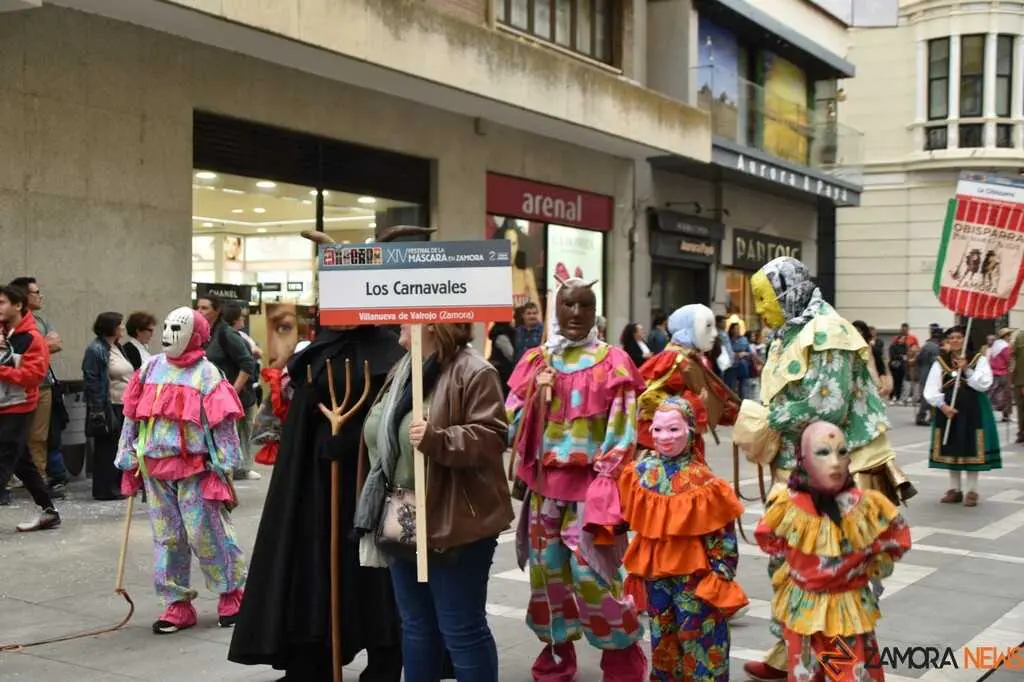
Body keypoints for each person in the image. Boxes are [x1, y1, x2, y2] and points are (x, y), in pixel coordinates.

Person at [229, 226, 433, 682]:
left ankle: (385, 662)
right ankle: (316, 658)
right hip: (320, 495)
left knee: (385, 575)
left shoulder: (401, 352)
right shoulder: (317, 354)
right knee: (317, 567)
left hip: (386, 490)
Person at [734, 257, 915, 682]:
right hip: (796, 472)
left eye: (763, 297)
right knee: (790, 566)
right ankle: (789, 652)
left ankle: (835, 664)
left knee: (832, 574)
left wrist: (767, 418)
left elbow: (827, 406)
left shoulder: (828, 333)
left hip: (832, 472)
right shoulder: (790, 331)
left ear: (786, 292)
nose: (759, 307)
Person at [505, 277, 648, 682]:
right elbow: (511, 426)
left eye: (584, 306)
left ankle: (621, 658)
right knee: (546, 577)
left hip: (592, 494)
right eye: (568, 305)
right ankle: (556, 654)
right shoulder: (536, 360)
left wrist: (608, 477)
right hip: (543, 492)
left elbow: (623, 430)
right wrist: (535, 392)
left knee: (595, 577)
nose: (575, 313)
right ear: (556, 308)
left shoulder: (614, 361)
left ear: (594, 310)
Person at [354, 322, 514, 682]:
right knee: (415, 625)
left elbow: (492, 437)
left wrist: (439, 439)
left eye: (406, 324)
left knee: (460, 627)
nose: (399, 335)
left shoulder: (474, 371)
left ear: (432, 325)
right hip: (403, 509)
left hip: (455, 514)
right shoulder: (403, 368)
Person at [116, 306, 247, 633]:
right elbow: (132, 416)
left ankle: (231, 594)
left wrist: (224, 466)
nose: (169, 334)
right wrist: (128, 455)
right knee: (168, 538)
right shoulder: (149, 370)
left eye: (179, 327)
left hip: (196, 470)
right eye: (168, 326)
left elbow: (223, 426)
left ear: (197, 335)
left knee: (208, 534)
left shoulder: (208, 374)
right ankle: (176, 604)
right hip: (155, 470)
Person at [754, 421, 911, 681]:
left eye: (842, 451)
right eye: (823, 452)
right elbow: (772, 542)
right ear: (802, 459)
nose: (836, 462)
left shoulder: (869, 508)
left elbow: (894, 541)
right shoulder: (786, 506)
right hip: (803, 612)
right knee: (807, 673)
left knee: (849, 673)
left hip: (846, 613)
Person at [618, 394, 747, 681]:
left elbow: (723, 536)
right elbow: (626, 517)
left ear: (690, 431)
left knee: (701, 642)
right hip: (656, 577)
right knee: (663, 640)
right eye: (659, 429)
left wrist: (721, 575)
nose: (665, 437)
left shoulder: (705, 481)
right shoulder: (640, 473)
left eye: (674, 429)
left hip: (696, 578)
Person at [636, 304, 739, 454]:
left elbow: (715, 397)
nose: (715, 334)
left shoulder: (691, 359)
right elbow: (649, 400)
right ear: (687, 329)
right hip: (664, 446)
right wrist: (696, 404)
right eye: (708, 326)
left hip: (686, 442)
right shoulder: (674, 360)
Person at [0, 285, 59, 531]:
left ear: (18, 305)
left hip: (19, 407)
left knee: (3, 458)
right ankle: (48, 510)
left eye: (2, 302)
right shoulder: (4, 333)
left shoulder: (32, 338)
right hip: (3, 405)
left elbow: (33, 376)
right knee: (22, 461)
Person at [923, 325, 1003, 507]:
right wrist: (942, 406)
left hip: (973, 409)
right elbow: (931, 388)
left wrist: (966, 369)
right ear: (947, 341)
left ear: (965, 340)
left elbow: (984, 384)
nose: (955, 340)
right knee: (951, 445)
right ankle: (954, 489)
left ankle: (972, 490)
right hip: (948, 411)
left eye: (959, 337)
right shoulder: (940, 361)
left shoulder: (978, 360)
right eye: (952, 338)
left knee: (972, 447)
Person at [82, 312, 132, 501]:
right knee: (107, 448)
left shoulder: (116, 347)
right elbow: (92, 380)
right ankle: (105, 489)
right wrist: (97, 408)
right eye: (120, 324)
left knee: (118, 446)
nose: (123, 328)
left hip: (123, 404)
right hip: (108, 405)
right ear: (111, 327)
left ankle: (116, 485)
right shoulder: (96, 350)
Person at [915, 324, 943, 426]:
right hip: (931, 375)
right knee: (931, 396)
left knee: (925, 396)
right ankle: (925, 417)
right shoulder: (936, 347)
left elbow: (918, 360)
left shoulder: (925, 346)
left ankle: (925, 416)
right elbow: (936, 362)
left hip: (923, 373)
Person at [988, 327, 1014, 422]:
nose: (1010, 337)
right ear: (1006, 336)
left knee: (993, 393)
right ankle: (1006, 416)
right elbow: (1008, 359)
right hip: (1003, 373)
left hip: (994, 373)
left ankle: (989, 412)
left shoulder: (996, 345)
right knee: (1006, 394)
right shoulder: (1005, 347)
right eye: (1009, 335)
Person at [888, 323, 918, 405]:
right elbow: (893, 352)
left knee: (910, 380)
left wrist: (912, 356)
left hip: (909, 362)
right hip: (898, 364)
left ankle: (909, 397)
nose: (904, 330)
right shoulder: (895, 339)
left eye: (906, 329)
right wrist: (902, 357)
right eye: (903, 329)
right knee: (898, 381)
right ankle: (896, 397)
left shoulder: (913, 338)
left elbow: (916, 348)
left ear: (908, 329)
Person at [1014, 329, 1024, 444]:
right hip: (1019, 380)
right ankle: (1021, 432)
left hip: (1019, 380)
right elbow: (1012, 358)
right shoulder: (1020, 336)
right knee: (1021, 408)